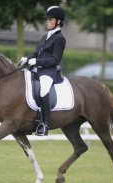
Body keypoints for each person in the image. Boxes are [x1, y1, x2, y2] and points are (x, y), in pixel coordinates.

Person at [20, 6, 66, 136]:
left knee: (44, 89)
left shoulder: (59, 39)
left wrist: (37, 62)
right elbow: (36, 53)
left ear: (58, 21)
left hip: (48, 72)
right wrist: (27, 58)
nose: (47, 21)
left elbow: (55, 60)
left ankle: (45, 124)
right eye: (47, 19)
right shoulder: (45, 36)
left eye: (50, 19)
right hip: (36, 70)